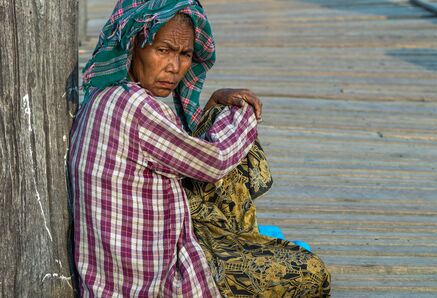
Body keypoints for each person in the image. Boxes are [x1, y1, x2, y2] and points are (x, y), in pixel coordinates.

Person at [69, 0, 330, 296]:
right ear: (133, 45)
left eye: (185, 55)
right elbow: (216, 161)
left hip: (115, 275)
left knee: (221, 125)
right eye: (163, 50)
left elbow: (179, 150)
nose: (174, 67)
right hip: (160, 282)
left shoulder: (104, 96)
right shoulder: (138, 108)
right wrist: (244, 113)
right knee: (311, 273)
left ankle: (240, 243)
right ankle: (240, 245)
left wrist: (214, 103)